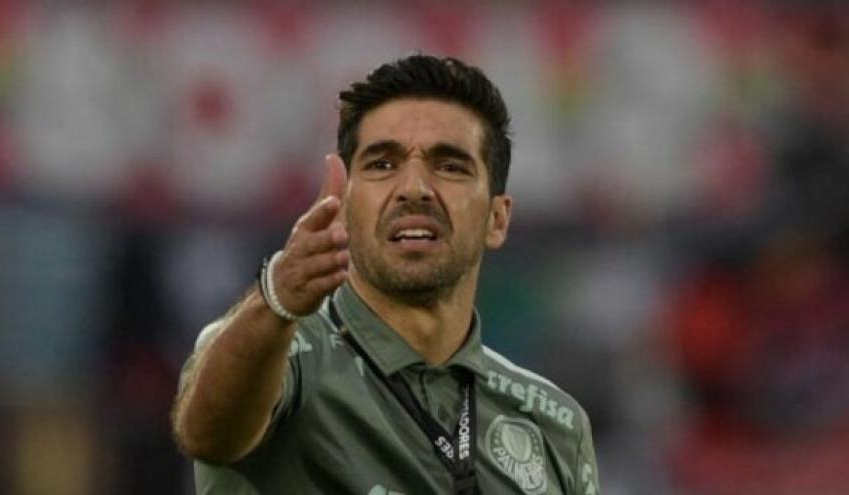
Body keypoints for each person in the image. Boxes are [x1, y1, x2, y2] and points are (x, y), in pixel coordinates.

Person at [171, 54, 600, 495]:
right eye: (382, 164)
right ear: (345, 205)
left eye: (450, 166)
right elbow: (208, 436)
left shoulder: (554, 425)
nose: (414, 189)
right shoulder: (283, 356)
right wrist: (276, 300)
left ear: (497, 218)